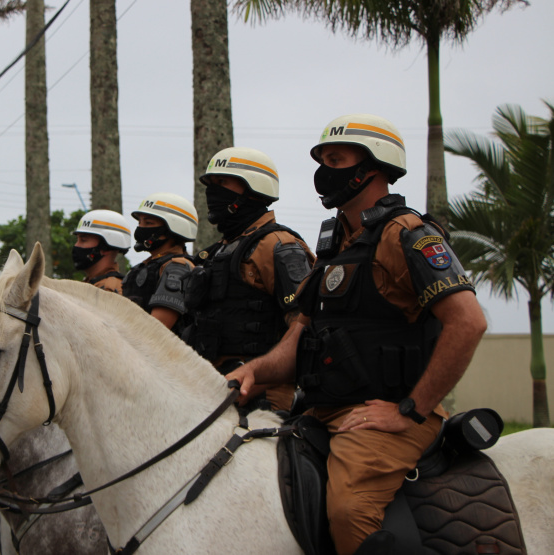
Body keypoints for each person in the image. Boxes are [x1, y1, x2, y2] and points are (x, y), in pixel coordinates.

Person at [226, 114, 487, 555]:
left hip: (384, 419)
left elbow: (469, 322)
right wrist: (250, 372)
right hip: (322, 412)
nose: (324, 171)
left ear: (373, 166)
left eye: (336, 159)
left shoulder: (407, 233)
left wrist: (411, 411)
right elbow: (298, 341)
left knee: (349, 512)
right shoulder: (334, 247)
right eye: (322, 160)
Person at [182, 147, 314, 413]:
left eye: (222, 183)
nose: (213, 192)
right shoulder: (216, 252)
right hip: (207, 389)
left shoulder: (278, 245)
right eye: (211, 184)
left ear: (252, 189)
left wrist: (258, 379)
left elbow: (305, 330)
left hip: (260, 399)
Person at [122, 192, 198, 332]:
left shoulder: (178, 268)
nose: (140, 228)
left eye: (149, 223)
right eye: (140, 222)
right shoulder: (141, 267)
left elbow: (157, 330)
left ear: (174, 227)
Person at [71, 209, 132, 294]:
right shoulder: (93, 283)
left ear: (105, 248)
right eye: (77, 240)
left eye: (83, 240)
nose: (76, 245)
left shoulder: (108, 290)